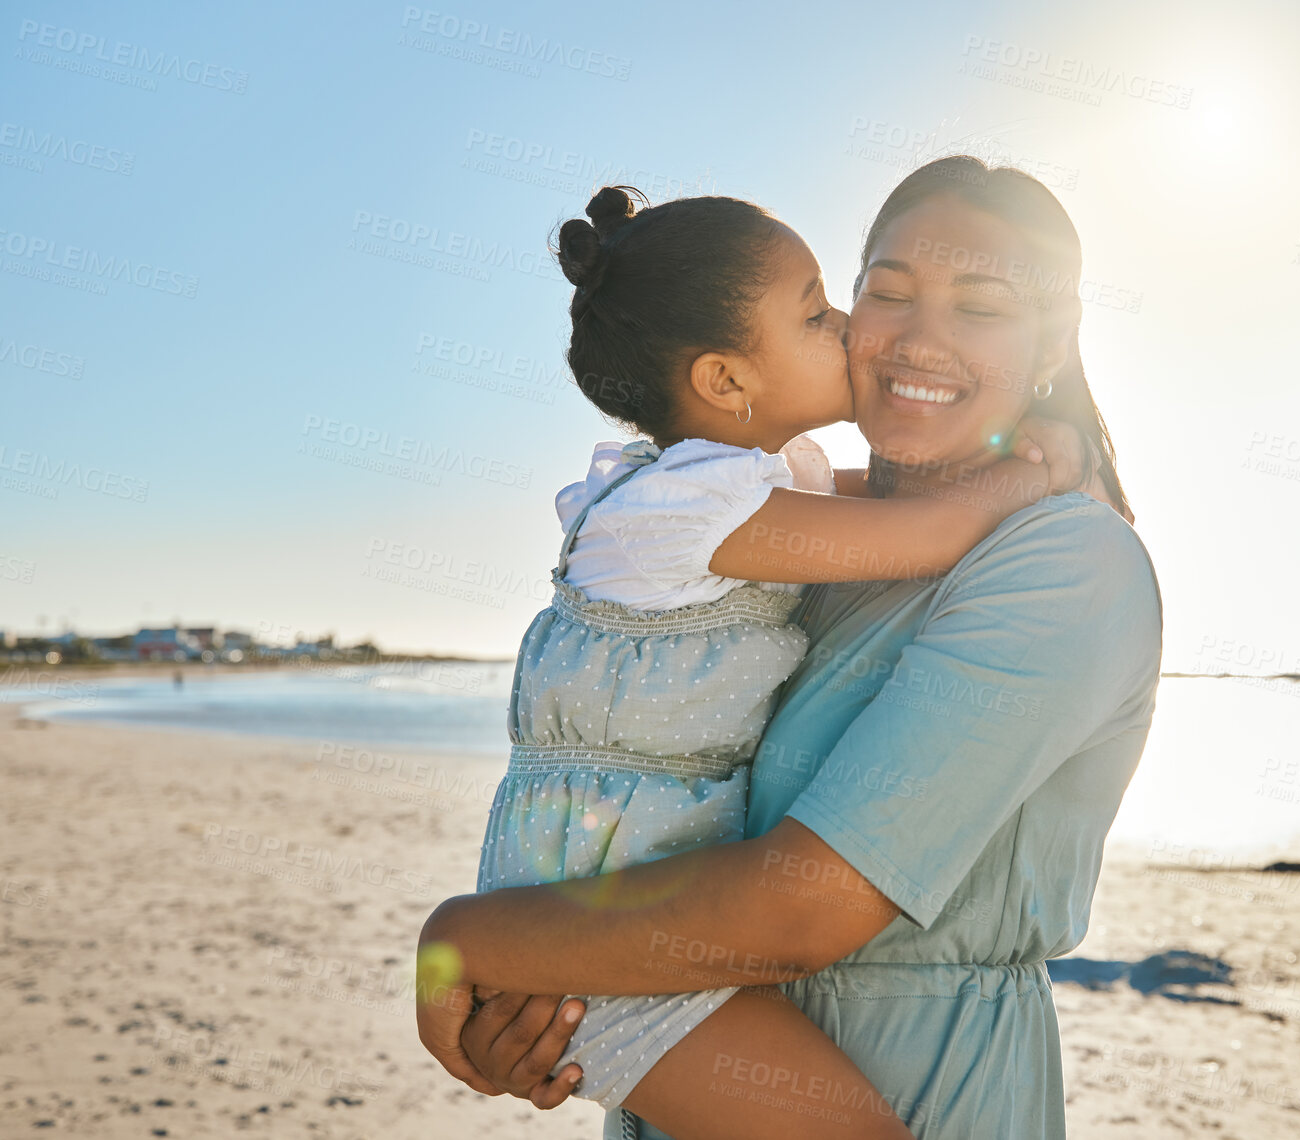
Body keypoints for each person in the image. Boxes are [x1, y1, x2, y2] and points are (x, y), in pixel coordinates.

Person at [418, 157, 1162, 1138]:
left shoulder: (1062, 555)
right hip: (687, 1063)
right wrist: (547, 980)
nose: (916, 335)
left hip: (916, 1088)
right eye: (885, 294)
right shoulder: (781, 542)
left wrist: (474, 939)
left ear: (1051, 345)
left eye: (980, 306)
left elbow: (799, 910)